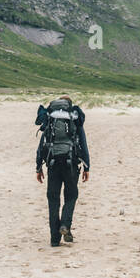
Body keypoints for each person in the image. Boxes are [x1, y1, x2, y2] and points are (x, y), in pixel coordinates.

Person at [35, 96, 91, 247]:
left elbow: (42, 144)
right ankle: (65, 225)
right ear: (69, 105)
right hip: (70, 162)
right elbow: (83, 144)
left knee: (53, 200)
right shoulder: (73, 118)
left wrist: (38, 166)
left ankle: (54, 239)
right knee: (71, 195)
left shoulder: (50, 119)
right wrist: (87, 167)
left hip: (52, 163)